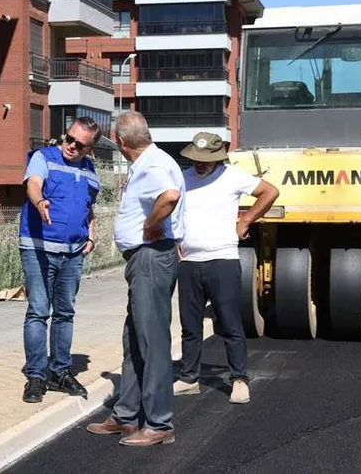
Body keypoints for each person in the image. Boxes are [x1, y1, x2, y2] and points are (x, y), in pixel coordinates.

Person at [86, 111, 184, 446]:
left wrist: (149, 226)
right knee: (135, 339)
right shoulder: (150, 161)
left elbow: (169, 196)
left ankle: (159, 424)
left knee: (152, 341)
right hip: (146, 260)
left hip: (150, 259)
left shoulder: (154, 165)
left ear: (121, 141)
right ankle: (126, 415)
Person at [172, 132, 279, 404]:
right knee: (190, 326)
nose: (199, 164)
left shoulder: (232, 176)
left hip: (223, 261)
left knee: (230, 324)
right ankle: (189, 377)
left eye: (205, 160)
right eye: (196, 159)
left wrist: (246, 221)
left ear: (219, 158)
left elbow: (270, 191)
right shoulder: (182, 177)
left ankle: (239, 379)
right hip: (189, 263)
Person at [19, 116, 102, 403]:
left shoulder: (90, 171)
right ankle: (36, 376)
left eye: (79, 145)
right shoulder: (44, 157)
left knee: (65, 313)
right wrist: (39, 201)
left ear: (89, 150)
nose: (71, 146)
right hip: (38, 248)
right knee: (39, 311)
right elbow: (33, 184)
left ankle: (61, 372)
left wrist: (91, 235)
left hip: (73, 252)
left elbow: (89, 207)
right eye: (68, 138)